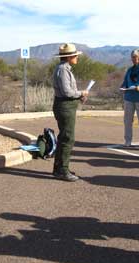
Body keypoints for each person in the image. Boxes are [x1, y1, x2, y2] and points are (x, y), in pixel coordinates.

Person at [52, 43, 89, 182]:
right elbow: (67, 92)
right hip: (65, 106)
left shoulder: (64, 69)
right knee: (68, 138)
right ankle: (63, 170)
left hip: (65, 106)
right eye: (75, 56)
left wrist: (79, 95)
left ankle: (59, 168)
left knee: (64, 137)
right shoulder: (63, 70)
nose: (77, 58)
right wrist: (81, 93)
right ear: (69, 57)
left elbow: (67, 91)